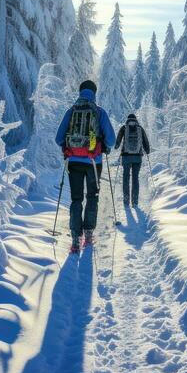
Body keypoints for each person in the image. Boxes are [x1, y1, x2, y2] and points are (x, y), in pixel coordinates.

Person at [55, 80, 116, 251]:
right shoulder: (99, 112)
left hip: (73, 161)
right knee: (92, 197)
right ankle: (88, 234)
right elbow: (111, 140)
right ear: (94, 93)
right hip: (93, 162)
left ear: (80, 92)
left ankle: (75, 238)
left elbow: (58, 138)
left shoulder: (71, 111)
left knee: (76, 199)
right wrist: (103, 145)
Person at [115, 113, 151, 206]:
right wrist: (147, 150)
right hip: (137, 157)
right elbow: (145, 141)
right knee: (135, 178)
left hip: (126, 156)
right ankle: (135, 201)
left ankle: (126, 201)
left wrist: (116, 146)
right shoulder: (140, 128)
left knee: (126, 177)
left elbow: (117, 141)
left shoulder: (124, 128)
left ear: (127, 119)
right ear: (136, 119)